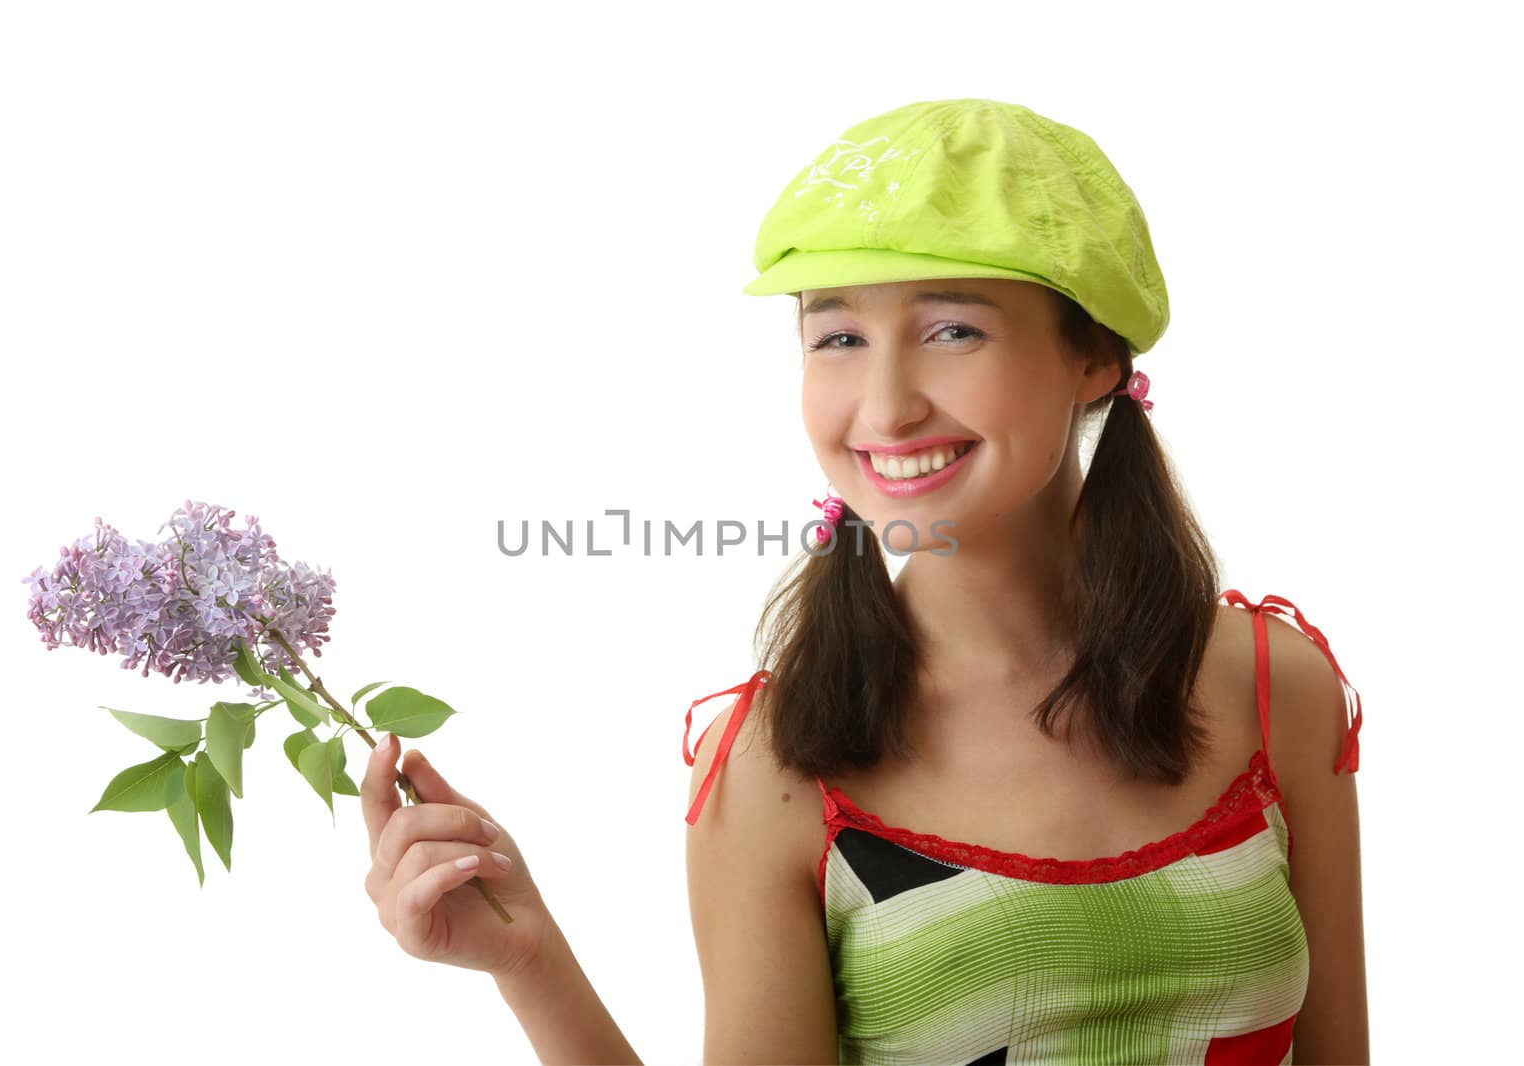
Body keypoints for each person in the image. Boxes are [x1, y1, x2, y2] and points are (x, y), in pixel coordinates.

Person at [359, 98, 1368, 1065]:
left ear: (1095, 354)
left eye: (951, 330)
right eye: (837, 337)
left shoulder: (1276, 690)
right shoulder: (780, 764)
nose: (884, 408)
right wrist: (531, 962)